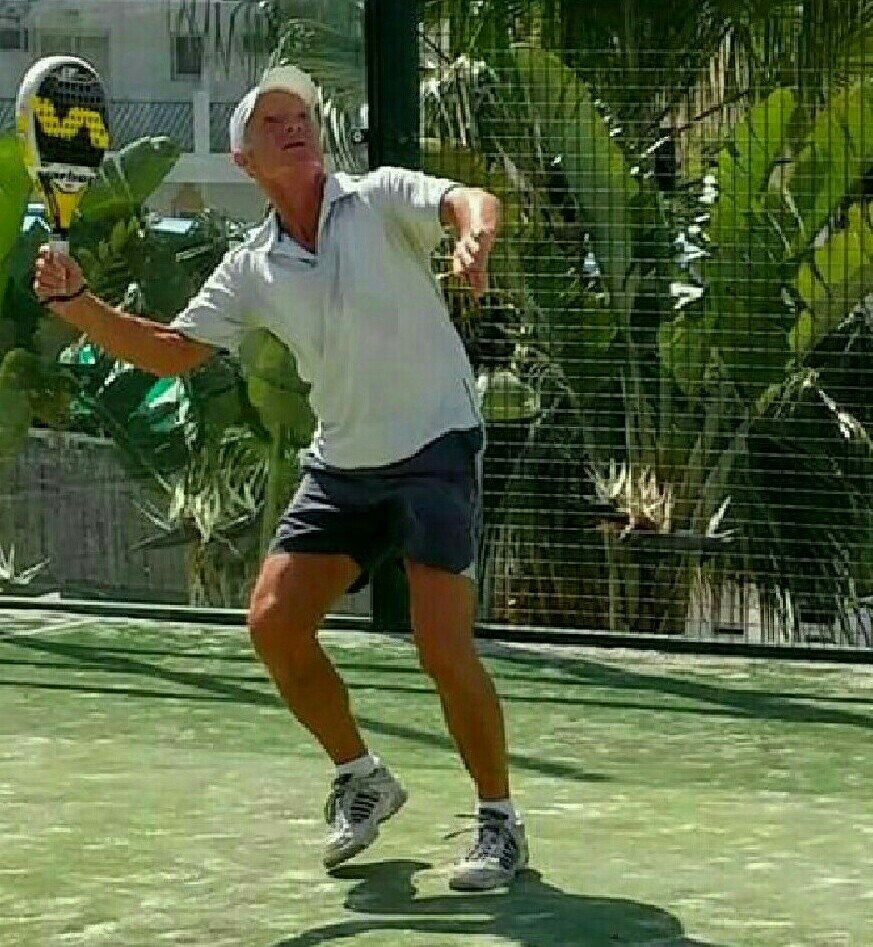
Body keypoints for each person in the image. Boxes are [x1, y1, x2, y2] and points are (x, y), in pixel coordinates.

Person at [33, 64, 528, 891]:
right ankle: (362, 777)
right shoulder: (250, 267)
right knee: (272, 621)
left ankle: (498, 821)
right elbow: (173, 351)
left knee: (441, 646)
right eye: (271, 121)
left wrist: (475, 233)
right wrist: (78, 303)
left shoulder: (377, 198)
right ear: (245, 160)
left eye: (300, 114)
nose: (293, 124)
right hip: (343, 466)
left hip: (435, 448)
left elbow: (467, 201)